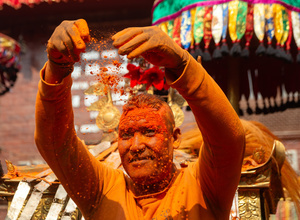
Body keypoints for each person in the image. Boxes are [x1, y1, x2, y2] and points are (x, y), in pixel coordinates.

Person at [35, 19, 245, 220]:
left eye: (149, 132)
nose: (135, 146)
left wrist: (182, 64)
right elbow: (57, 143)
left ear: (175, 138)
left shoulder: (202, 186)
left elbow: (228, 140)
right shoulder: (102, 190)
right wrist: (57, 68)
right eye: (126, 135)